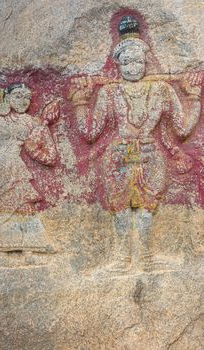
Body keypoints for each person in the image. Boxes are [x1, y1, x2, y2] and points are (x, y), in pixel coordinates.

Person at [69, 16, 202, 272]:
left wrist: (192, 95)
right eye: (127, 62)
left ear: (146, 61)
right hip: (118, 155)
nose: (133, 67)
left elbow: (183, 129)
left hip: (151, 155)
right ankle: (121, 259)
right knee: (120, 208)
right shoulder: (109, 92)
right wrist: (80, 101)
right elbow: (89, 133)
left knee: (146, 208)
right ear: (118, 64)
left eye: (138, 61)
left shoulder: (162, 90)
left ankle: (146, 258)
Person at [0, 83, 59, 214]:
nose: (23, 101)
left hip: (16, 170)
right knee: (5, 216)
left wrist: (44, 126)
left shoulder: (32, 122)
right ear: (7, 98)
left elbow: (51, 158)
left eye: (27, 97)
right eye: (18, 96)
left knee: (26, 213)